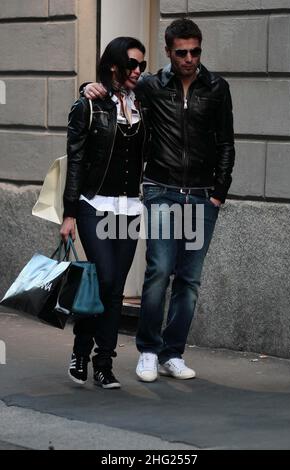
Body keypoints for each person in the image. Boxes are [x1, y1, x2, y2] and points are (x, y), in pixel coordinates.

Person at [83, 18, 235, 383]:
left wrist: (218, 193)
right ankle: (148, 350)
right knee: (159, 272)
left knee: (189, 279)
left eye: (195, 51)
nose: (189, 58)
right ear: (168, 52)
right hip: (162, 191)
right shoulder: (151, 86)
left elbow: (226, 143)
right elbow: (114, 86)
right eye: (181, 52)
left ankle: (172, 353)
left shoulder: (216, 87)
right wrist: (87, 86)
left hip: (200, 197)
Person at [60, 36, 148, 389]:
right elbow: (76, 161)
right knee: (107, 279)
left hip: (129, 207)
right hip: (94, 205)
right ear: (113, 66)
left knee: (114, 290)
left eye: (142, 64)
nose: (138, 71)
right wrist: (69, 214)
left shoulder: (144, 102)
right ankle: (81, 349)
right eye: (132, 64)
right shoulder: (89, 106)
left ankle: (103, 363)